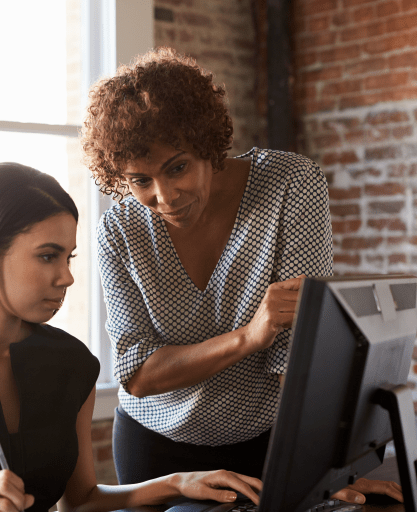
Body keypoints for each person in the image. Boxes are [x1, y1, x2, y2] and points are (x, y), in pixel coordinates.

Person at [0, 162, 265, 512]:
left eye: (68, 257)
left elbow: (80, 501)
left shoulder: (71, 363)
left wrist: (177, 483)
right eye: (47, 256)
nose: (66, 277)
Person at [80, 47, 402, 505]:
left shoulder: (290, 185)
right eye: (139, 180)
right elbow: (136, 373)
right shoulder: (119, 229)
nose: (164, 196)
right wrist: (250, 335)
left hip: (269, 443)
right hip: (155, 447)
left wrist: (327, 469)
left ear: (208, 144)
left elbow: (296, 352)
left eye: (177, 167)